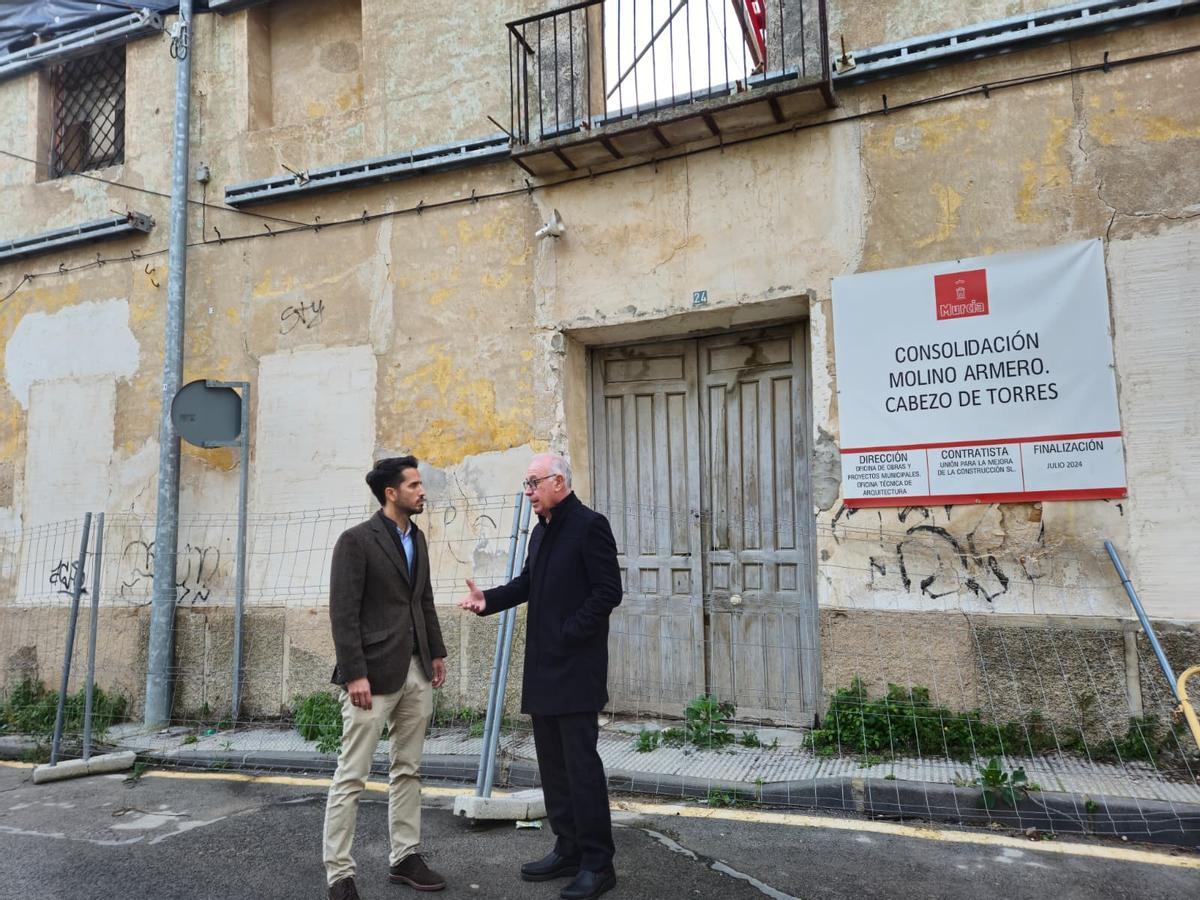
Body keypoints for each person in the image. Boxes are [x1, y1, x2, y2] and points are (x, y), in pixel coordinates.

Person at [458, 452, 623, 900]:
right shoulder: (541, 531)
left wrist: (571, 631)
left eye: (533, 483)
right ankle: (567, 847)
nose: (528, 492)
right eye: (526, 484)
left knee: (581, 767)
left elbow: (610, 591)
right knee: (553, 766)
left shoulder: (590, 525)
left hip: (576, 668)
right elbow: (528, 582)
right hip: (544, 668)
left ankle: (597, 862)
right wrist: (487, 600)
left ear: (558, 482)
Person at [324, 457, 449, 900]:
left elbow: (424, 600)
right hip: (372, 676)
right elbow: (343, 612)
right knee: (352, 775)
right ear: (390, 493)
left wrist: (435, 652)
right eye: (414, 484)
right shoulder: (356, 541)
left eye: (420, 484)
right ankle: (340, 874)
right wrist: (354, 673)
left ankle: (405, 857)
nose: (422, 490)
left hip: (415, 670)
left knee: (408, 770)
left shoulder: (417, 538)